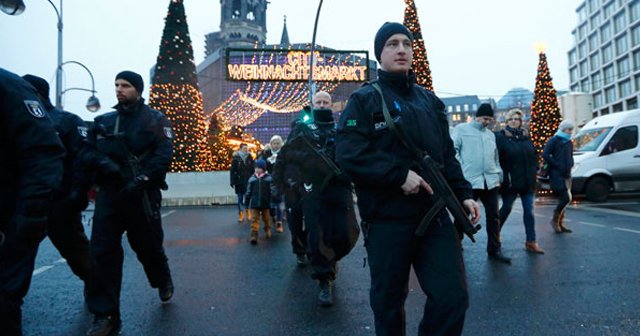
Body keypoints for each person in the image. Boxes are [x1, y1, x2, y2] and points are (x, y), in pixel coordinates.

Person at [335, 22, 480, 336]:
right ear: (380, 55)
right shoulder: (364, 100)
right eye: (392, 44)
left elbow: (446, 156)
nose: (401, 49)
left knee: (452, 298)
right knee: (388, 305)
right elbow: (347, 152)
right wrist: (398, 175)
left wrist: (463, 192)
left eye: (406, 44)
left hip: (436, 218)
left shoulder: (430, 101)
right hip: (388, 221)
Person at [82, 71, 174, 336]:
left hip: (141, 195)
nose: (119, 89)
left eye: (126, 85)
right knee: (102, 254)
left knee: (149, 248)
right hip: (110, 196)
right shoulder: (103, 121)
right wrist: (103, 166)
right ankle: (106, 315)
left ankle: (161, 278)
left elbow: (163, 154)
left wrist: (143, 179)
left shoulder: (155, 120)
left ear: (138, 89)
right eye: (117, 85)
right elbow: (87, 152)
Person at [0, 67, 65, 336]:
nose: (120, 90)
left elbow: (45, 153)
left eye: (125, 86)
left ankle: (102, 306)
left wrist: (31, 213)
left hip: (15, 214)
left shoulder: (9, 88)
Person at [279, 90, 359, 307]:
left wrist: (345, 170)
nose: (322, 105)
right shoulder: (302, 128)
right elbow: (288, 154)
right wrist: (307, 163)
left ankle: (331, 259)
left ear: (331, 105)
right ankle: (324, 278)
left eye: (326, 102)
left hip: (339, 187)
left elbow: (352, 152)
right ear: (312, 105)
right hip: (313, 188)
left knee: (346, 233)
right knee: (318, 235)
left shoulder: (340, 128)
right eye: (318, 102)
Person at [22, 74, 93, 281]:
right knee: (15, 257)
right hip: (23, 201)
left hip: (59, 201)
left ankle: (97, 292)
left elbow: (84, 160)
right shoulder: (16, 121)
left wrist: (77, 193)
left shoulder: (67, 121)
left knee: (76, 252)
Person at [452, 103, 511, 264]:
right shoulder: (461, 129)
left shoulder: (490, 135)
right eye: (485, 118)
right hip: (469, 181)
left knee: (494, 217)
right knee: (462, 216)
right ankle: (454, 248)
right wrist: (461, 170)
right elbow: (453, 151)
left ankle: (494, 249)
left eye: (490, 119)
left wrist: (498, 173)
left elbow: (495, 156)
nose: (487, 122)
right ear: (477, 116)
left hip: (490, 181)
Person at [495, 109, 544, 254]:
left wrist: (536, 168)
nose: (514, 121)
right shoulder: (501, 137)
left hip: (528, 181)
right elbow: (497, 158)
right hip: (510, 182)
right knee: (506, 208)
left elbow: (533, 155)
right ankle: (495, 234)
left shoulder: (526, 137)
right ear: (507, 122)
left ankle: (531, 241)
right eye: (511, 119)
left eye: (517, 119)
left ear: (521, 121)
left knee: (529, 211)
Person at [273, 127, 307, 267]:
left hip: (303, 190)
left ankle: (303, 249)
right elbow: (278, 170)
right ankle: (301, 250)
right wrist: (278, 188)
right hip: (292, 190)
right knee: (296, 223)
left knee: (302, 223)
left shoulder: (307, 149)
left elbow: (277, 170)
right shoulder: (286, 151)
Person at [543, 120, 575, 233]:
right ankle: (555, 220)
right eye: (569, 129)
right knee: (565, 198)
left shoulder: (569, 142)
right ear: (563, 129)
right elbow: (545, 154)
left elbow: (570, 155)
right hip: (556, 174)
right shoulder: (554, 140)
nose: (570, 132)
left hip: (567, 174)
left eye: (571, 130)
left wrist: (571, 163)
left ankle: (560, 223)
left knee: (565, 199)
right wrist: (557, 164)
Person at [245, 159, 276, 244]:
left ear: (264, 169)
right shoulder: (252, 179)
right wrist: (247, 202)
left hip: (265, 203)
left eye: (259, 168)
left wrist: (272, 202)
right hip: (255, 203)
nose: (257, 170)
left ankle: (267, 229)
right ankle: (254, 234)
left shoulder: (268, 179)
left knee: (266, 218)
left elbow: (272, 191)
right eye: (256, 168)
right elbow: (248, 192)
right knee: (254, 219)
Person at [261, 135, 285, 234]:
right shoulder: (266, 154)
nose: (276, 145)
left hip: (280, 182)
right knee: (270, 204)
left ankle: (279, 222)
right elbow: (261, 165)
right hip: (268, 182)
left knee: (280, 203)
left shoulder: (283, 154)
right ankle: (273, 216)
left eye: (278, 143)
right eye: (274, 143)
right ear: (271, 144)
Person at [230, 143, 254, 222]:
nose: (246, 150)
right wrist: (232, 182)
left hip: (248, 181)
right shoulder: (236, 159)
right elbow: (232, 171)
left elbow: (253, 170)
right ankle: (241, 214)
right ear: (240, 149)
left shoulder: (250, 158)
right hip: (239, 181)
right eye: (244, 148)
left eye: (246, 148)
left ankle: (248, 212)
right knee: (240, 198)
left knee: (248, 198)